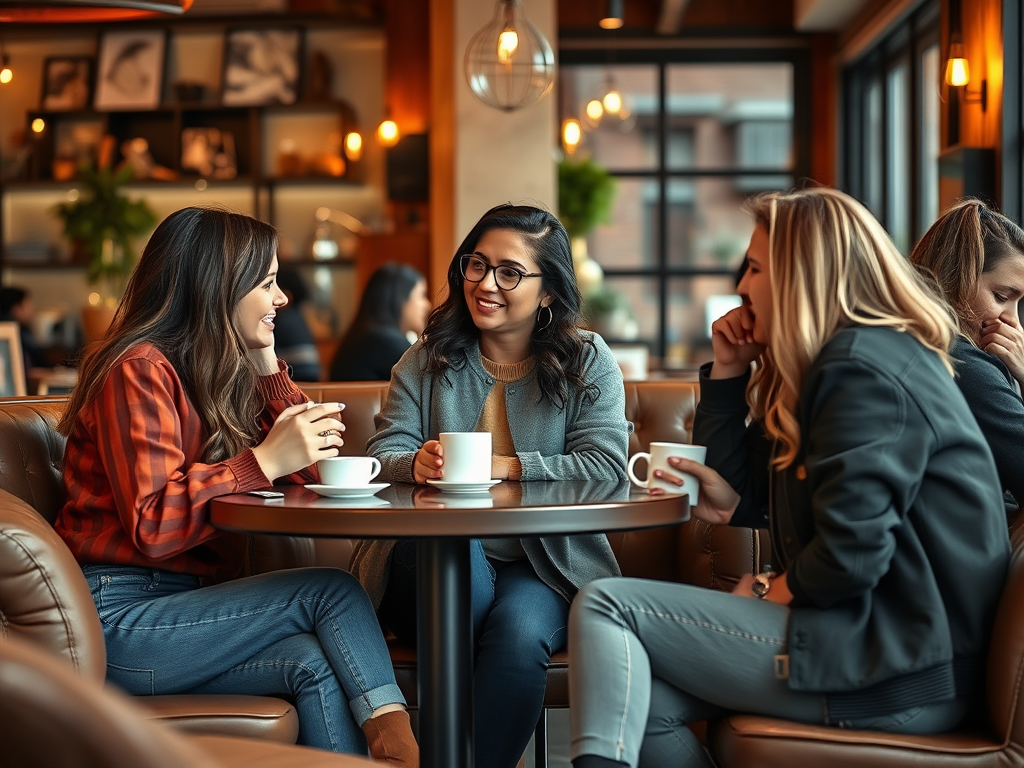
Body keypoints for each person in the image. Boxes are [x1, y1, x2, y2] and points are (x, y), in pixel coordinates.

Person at [567, 187, 1009, 768]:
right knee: (646, 694)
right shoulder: (851, 359)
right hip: (888, 649)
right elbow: (738, 488)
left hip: (897, 667)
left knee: (606, 606)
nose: (742, 287)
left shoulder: (862, 369)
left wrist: (770, 590)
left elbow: (850, 557)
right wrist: (728, 372)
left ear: (800, 273)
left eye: (754, 268)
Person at [52, 207, 418, 766]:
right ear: (218, 287)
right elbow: (153, 522)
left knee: (309, 661)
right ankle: (403, 752)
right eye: (267, 283)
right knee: (330, 590)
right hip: (117, 621)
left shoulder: (214, 372)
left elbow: (322, 474)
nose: (282, 299)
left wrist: (267, 364)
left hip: (178, 611)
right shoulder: (139, 368)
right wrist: (262, 461)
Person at [349, 203, 631, 768]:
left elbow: (606, 466)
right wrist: (416, 465)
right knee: (460, 559)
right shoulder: (425, 359)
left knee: (519, 637)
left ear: (548, 291)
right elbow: (384, 454)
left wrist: (510, 466)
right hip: (432, 557)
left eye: (510, 272)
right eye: (477, 265)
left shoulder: (587, 360)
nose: (486, 284)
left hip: (542, 562)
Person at [908, 198, 1024, 509]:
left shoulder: (910, 344)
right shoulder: (963, 364)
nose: (1013, 319)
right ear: (957, 276)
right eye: (1001, 296)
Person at [329, 263, 431, 381]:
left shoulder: (367, 336)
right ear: (400, 299)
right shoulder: (385, 341)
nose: (427, 305)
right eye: (421, 295)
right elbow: (429, 384)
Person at [274, 265, 322, 381]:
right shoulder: (298, 316)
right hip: (313, 378)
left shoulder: (283, 320)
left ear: (288, 294)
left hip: (298, 379)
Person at [0, 285, 47, 370]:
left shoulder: (23, 330)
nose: (32, 309)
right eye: (28, 305)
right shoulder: (14, 333)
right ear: (16, 309)